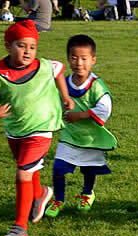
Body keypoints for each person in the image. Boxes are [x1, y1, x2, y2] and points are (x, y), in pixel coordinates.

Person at [0, 20, 74, 236]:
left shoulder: (44, 66)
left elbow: (58, 70)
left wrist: (65, 96)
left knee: (23, 173)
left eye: (32, 47)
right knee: (30, 171)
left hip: (42, 128)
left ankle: (20, 227)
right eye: (22, 46)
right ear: (8, 45)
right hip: (15, 130)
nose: (28, 51)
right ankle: (39, 194)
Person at [45, 35, 116, 218]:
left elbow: (105, 108)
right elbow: (53, 100)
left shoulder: (96, 85)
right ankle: (58, 199)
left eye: (84, 58)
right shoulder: (64, 83)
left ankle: (87, 193)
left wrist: (81, 115)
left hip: (91, 137)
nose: (79, 63)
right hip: (69, 136)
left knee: (89, 169)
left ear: (93, 60)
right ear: (68, 59)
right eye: (74, 58)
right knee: (59, 168)